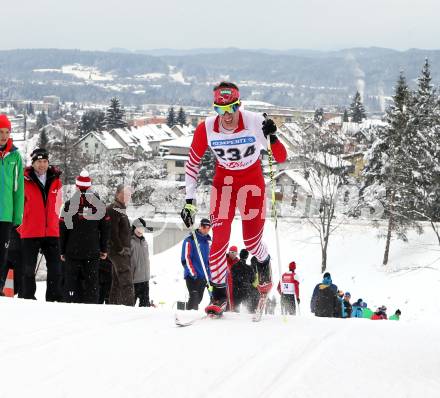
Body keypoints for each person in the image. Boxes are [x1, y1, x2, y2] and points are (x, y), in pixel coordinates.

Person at [180, 82, 287, 315]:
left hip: (252, 185)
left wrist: (273, 137)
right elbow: (191, 165)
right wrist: (189, 201)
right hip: (224, 186)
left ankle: (264, 261)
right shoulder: (206, 128)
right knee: (218, 242)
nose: (226, 115)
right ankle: (218, 296)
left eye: (231, 108)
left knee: (251, 242)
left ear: (239, 106)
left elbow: (281, 156)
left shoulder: (254, 121)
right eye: (220, 109)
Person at [18, 148, 63, 301]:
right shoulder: (24, 180)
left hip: (51, 231)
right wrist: (20, 225)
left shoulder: (56, 179)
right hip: (30, 231)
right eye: (39, 162)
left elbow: (58, 204)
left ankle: (53, 298)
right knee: (28, 269)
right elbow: (19, 205)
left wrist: (55, 222)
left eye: (45, 161)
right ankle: (28, 297)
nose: (42, 165)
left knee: (56, 269)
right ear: (33, 163)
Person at [60, 170, 110, 303]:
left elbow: (63, 229)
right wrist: (104, 249)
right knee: (92, 283)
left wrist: (62, 250)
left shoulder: (69, 205)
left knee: (71, 282)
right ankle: (91, 307)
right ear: (90, 187)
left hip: (72, 251)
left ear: (76, 187)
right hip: (92, 251)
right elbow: (105, 229)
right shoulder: (99, 205)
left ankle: (71, 304)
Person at [0, 115, 24, 296]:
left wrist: (17, 216)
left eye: (7, 132)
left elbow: (18, 189)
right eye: (0, 132)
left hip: (6, 215)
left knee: (2, 254)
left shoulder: (15, 156)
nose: (3, 135)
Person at [107, 184, 135, 306]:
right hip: (118, 251)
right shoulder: (113, 208)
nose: (127, 197)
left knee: (117, 283)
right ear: (118, 194)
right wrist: (120, 249)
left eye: (129, 195)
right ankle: (129, 308)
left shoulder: (120, 209)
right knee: (126, 282)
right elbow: (112, 232)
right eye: (125, 194)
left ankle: (114, 307)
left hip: (121, 251)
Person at [181, 218, 211, 310]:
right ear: (200, 227)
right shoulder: (190, 240)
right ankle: (189, 314)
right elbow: (185, 259)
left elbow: (209, 260)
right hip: (192, 276)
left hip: (204, 276)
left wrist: (209, 275)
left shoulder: (208, 242)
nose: (207, 229)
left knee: (199, 299)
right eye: (205, 227)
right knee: (194, 296)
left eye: (209, 227)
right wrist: (193, 273)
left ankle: (193, 314)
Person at [131, 218, 151, 307]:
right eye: (138, 228)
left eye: (142, 229)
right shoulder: (130, 242)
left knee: (145, 307)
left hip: (145, 280)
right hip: (133, 281)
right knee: (130, 307)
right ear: (134, 228)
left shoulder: (145, 242)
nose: (140, 231)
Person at [225, 245, 240, 311]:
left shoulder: (238, 261)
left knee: (234, 297)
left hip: (235, 283)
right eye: (231, 252)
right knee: (226, 296)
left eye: (234, 253)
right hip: (225, 282)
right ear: (229, 252)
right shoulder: (225, 259)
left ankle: (233, 310)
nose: (233, 254)